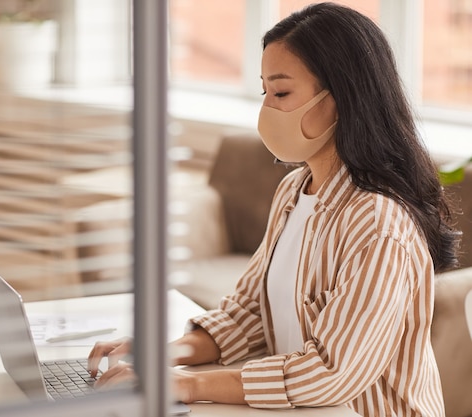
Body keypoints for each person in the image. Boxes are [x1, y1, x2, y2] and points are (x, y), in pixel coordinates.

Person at [87, 3, 461, 416]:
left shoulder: (378, 225)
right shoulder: (293, 191)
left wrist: (186, 385)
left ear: (341, 98)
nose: (266, 108)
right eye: (265, 91)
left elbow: (330, 372)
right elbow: (249, 314)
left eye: (281, 92)